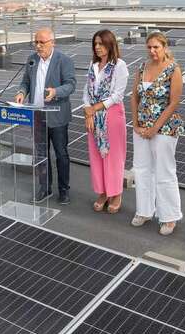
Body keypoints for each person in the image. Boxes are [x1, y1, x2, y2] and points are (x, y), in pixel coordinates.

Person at [130, 31, 184, 235]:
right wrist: (136, 124)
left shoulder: (173, 69)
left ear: (164, 47)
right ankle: (144, 211)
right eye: (149, 47)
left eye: (156, 47)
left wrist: (155, 128)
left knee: (164, 171)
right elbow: (134, 97)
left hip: (165, 129)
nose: (152, 51)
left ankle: (169, 217)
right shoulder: (142, 67)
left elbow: (174, 102)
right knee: (142, 170)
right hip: (141, 128)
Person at [14, 27, 76, 204]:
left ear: (52, 43)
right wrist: (21, 92)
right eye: (36, 42)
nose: (38, 46)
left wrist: (55, 91)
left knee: (61, 154)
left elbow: (71, 85)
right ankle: (45, 187)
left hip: (57, 116)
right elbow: (26, 82)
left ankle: (63, 190)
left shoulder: (64, 60)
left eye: (42, 42)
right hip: (37, 115)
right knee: (41, 153)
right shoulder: (32, 60)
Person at [82, 29, 129, 214]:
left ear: (110, 44)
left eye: (101, 43)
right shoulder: (92, 65)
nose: (97, 47)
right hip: (93, 115)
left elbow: (118, 95)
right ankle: (102, 192)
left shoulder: (119, 65)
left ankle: (115, 193)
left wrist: (95, 108)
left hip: (112, 114)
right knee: (96, 155)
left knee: (113, 156)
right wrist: (88, 111)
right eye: (95, 44)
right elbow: (86, 90)